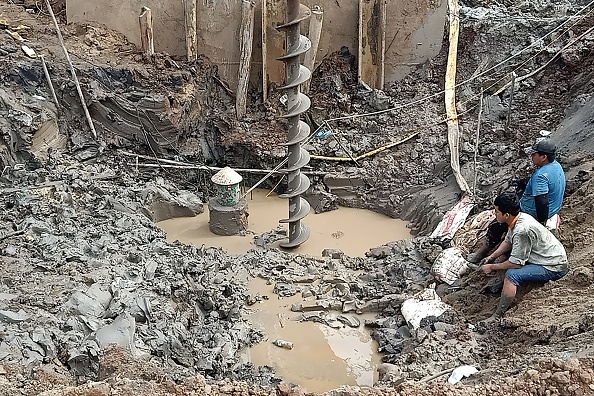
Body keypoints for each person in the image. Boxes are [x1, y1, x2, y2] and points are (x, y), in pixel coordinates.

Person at [467, 139, 566, 263]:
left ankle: (483, 251)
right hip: (553, 207)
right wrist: (523, 182)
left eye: (534, 154)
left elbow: (542, 203)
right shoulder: (555, 166)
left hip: (533, 212)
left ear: (544, 157)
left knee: (496, 225)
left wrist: (540, 221)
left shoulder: (540, 176)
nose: (531, 156)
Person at [480, 193, 568, 324]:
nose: (495, 214)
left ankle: (497, 315)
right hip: (545, 254)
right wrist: (491, 257)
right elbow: (508, 241)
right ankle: (501, 285)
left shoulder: (522, 231)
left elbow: (516, 264)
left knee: (512, 275)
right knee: (505, 256)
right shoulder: (520, 217)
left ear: (506, 215)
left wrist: (492, 267)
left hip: (553, 266)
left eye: (497, 211)